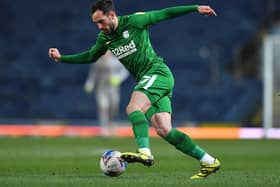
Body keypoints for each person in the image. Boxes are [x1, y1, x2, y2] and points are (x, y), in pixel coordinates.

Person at [48, 0, 220, 179]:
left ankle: (144, 152)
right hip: (150, 79)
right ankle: (208, 161)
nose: (99, 26)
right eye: (96, 23)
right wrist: (62, 58)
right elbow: (91, 56)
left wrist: (195, 8)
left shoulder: (135, 21)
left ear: (112, 15)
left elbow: (165, 13)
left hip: (157, 73)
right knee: (164, 129)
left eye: (101, 21)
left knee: (133, 107)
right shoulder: (105, 39)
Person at [84, 50, 129, 136]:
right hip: (101, 89)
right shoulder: (97, 62)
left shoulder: (116, 61)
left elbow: (125, 72)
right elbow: (93, 74)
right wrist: (89, 83)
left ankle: (112, 124)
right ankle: (104, 129)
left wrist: (118, 78)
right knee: (103, 107)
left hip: (113, 89)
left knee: (113, 107)